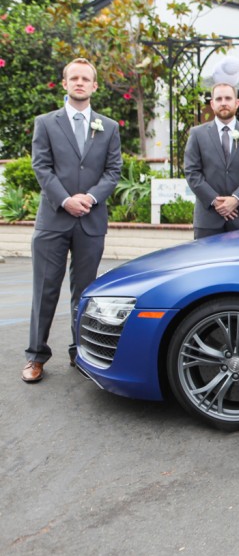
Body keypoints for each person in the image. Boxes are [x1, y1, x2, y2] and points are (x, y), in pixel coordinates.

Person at [24, 58, 122, 383]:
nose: (80, 83)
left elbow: (113, 171)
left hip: (90, 221)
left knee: (85, 292)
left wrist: (90, 198)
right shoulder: (46, 123)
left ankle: (79, 352)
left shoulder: (109, 127)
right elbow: (42, 167)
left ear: (95, 86)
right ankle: (36, 356)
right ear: (65, 83)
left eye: (86, 79)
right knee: (45, 290)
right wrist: (66, 200)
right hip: (53, 219)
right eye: (74, 78)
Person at [184, 83, 239, 239]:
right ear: (212, 104)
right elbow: (192, 172)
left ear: (237, 103)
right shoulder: (197, 134)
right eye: (219, 99)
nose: (223, 102)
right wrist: (216, 201)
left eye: (228, 98)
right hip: (208, 219)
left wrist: (236, 199)